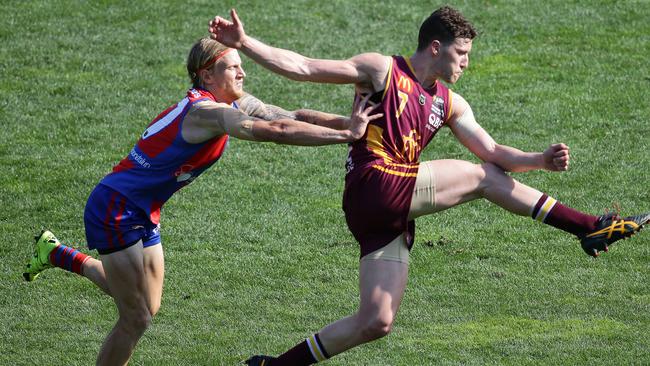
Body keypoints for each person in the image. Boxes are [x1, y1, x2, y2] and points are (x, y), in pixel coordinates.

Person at [207, 6, 650, 365]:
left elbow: (492, 151)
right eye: (461, 53)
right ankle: (588, 226)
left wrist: (539, 161)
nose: (466, 62)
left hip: (388, 206)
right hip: (373, 183)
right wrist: (245, 43)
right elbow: (303, 67)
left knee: (376, 321)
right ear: (435, 47)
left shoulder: (449, 101)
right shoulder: (382, 70)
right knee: (479, 178)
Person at [22, 37, 381, 366]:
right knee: (136, 317)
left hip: (143, 210)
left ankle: (57, 253)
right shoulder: (205, 114)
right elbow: (275, 132)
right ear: (207, 75)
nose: (242, 71)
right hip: (116, 208)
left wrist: (352, 125)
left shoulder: (232, 101)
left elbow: (290, 117)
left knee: (147, 303)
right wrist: (344, 136)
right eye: (232, 66)